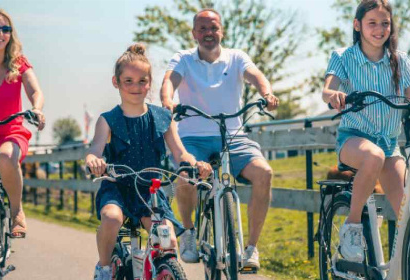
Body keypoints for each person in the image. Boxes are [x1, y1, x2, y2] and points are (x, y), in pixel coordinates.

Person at [160, 8, 279, 269]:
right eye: (202, 29)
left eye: (213, 28)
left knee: (264, 173)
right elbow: (170, 81)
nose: (208, 33)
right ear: (194, 34)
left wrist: (266, 93)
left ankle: (251, 249)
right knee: (185, 174)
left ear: (221, 31)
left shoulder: (236, 57)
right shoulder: (184, 59)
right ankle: (190, 233)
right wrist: (167, 100)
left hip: (233, 136)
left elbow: (256, 76)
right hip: (193, 137)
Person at [85, 43, 212, 280]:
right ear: (116, 82)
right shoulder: (108, 120)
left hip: (150, 191)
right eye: (128, 81)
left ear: (150, 82)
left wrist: (195, 164)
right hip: (117, 188)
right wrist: (94, 161)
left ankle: (158, 270)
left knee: (168, 240)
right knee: (112, 218)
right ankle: (103, 268)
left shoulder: (162, 117)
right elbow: (95, 149)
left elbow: (180, 152)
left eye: (142, 81)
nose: (136, 87)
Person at [322, 0, 410, 262]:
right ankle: (351, 228)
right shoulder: (343, 56)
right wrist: (334, 94)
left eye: (385, 23)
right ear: (357, 25)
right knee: (372, 157)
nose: (380, 29)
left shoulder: (400, 61)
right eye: (372, 23)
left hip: (390, 144)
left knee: (405, 208)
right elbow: (328, 89)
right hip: (354, 139)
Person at [0, 9, 45, 238]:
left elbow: (35, 90)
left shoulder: (19, 63)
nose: (0, 33)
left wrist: (36, 109)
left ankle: (16, 211)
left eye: (5, 29)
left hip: (11, 130)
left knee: (5, 157)